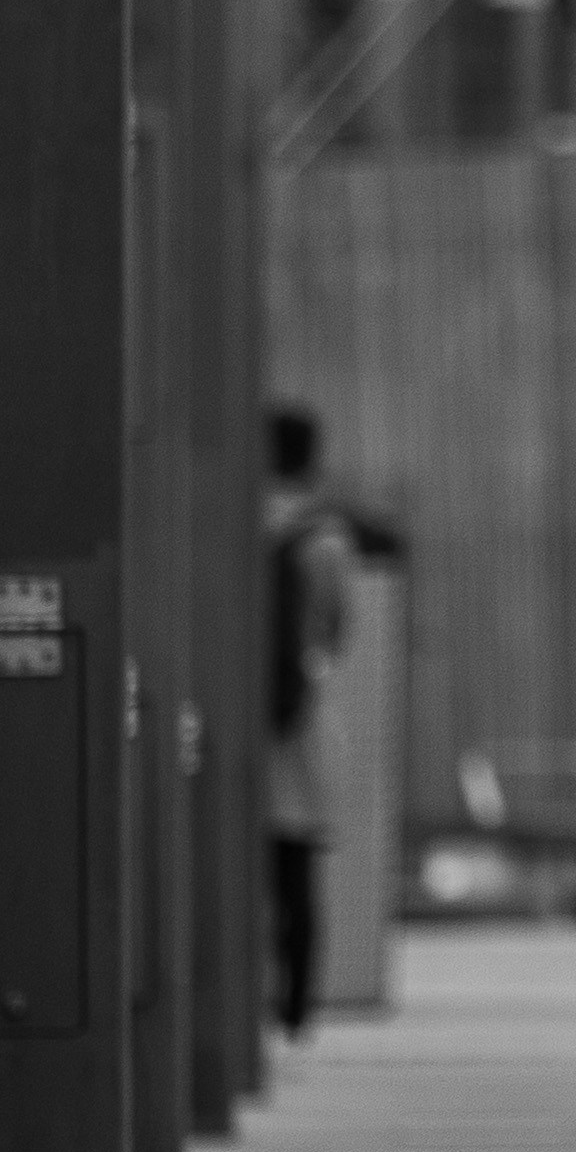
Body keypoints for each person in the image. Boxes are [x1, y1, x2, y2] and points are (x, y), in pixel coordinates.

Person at [260, 400, 353, 1043]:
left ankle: (241, 994)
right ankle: (297, 1007)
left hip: (235, 714)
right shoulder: (324, 537)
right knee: (298, 866)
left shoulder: (234, 520)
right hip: (300, 714)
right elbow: (336, 629)